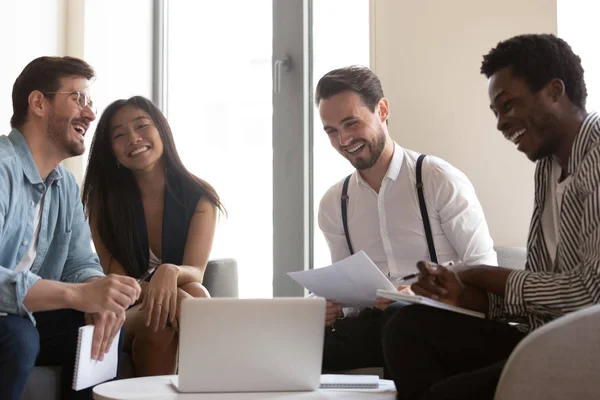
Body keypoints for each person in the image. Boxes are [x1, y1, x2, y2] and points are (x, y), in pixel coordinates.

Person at [382, 33, 600, 400]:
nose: (500, 123)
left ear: (554, 91)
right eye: (496, 112)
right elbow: (543, 292)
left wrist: (476, 272)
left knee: (449, 394)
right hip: (542, 337)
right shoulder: (548, 167)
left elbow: (589, 293)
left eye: (508, 105)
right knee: (406, 326)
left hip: (585, 351)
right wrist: (466, 296)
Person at [315, 65, 497, 373]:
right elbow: (349, 295)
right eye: (332, 131)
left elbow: (485, 268)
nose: (344, 140)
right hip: (374, 327)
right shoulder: (334, 202)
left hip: (437, 323)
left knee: (401, 320)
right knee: (297, 342)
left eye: (351, 123)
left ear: (382, 110)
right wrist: (330, 309)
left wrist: (419, 293)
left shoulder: (438, 179)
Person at [0, 56, 141, 400]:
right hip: (10, 321)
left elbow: (80, 263)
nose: (91, 115)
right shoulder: (2, 168)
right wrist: (77, 295)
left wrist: (98, 291)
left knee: (100, 330)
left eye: (90, 103)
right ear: (38, 103)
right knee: (19, 337)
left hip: (28, 316)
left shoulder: (64, 184)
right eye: (78, 98)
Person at [82, 96, 224, 377]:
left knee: (190, 296)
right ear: (111, 150)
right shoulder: (104, 200)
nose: (133, 138)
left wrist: (169, 272)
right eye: (119, 135)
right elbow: (117, 283)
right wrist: (165, 293)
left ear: (161, 131)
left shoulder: (198, 196)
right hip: (123, 306)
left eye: (142, 126)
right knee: (188, 301)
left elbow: (195, 270)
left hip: (170, 304)